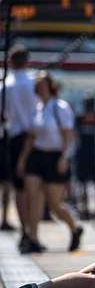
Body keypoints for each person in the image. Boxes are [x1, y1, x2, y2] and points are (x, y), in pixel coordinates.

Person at [16, 72, 82, 253]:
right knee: (32, 196)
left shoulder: (60, 107)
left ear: (51, 87)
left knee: (54, 204)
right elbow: (31, 137)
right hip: (37, 156)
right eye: (39, 86)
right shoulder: (36, 108)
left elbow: (69, 136)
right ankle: (33, 238)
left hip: (55, 156)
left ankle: (74, 228)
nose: (41, 89)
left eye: (44, 85)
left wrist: (64, 157)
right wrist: (22, 160)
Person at [0, 45, 37, 240]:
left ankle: (25, 229)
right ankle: (34, 229)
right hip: (35, 136)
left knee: (19, 188)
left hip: (15, 138)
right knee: (35, 187)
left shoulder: (5, 84)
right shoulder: (34, 81)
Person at [75, 95, 95, 220]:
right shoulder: (79, 119)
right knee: (83, 183)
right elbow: (75, 135)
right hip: (82, 153)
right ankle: (84, 208)